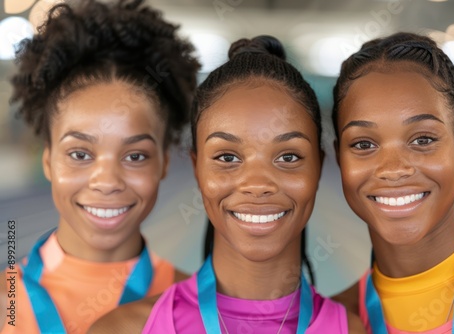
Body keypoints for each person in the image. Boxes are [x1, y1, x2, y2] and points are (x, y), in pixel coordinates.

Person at [89, 35, 365, 333]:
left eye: (287, 156)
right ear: (197, 167)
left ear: (319, 166)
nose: (257, 184)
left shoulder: (350, 328)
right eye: (227, 157)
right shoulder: (123, 329)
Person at [0, 0, 200, 333]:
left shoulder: (193, 311)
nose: (107, 181)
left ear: (164, 162)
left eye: (135, 156)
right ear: (48, 160)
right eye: (80, 154)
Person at [331, 32, 454, 333]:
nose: (394, 169)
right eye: (364, 144)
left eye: (422, 139)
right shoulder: (337, 321)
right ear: (339, 157)